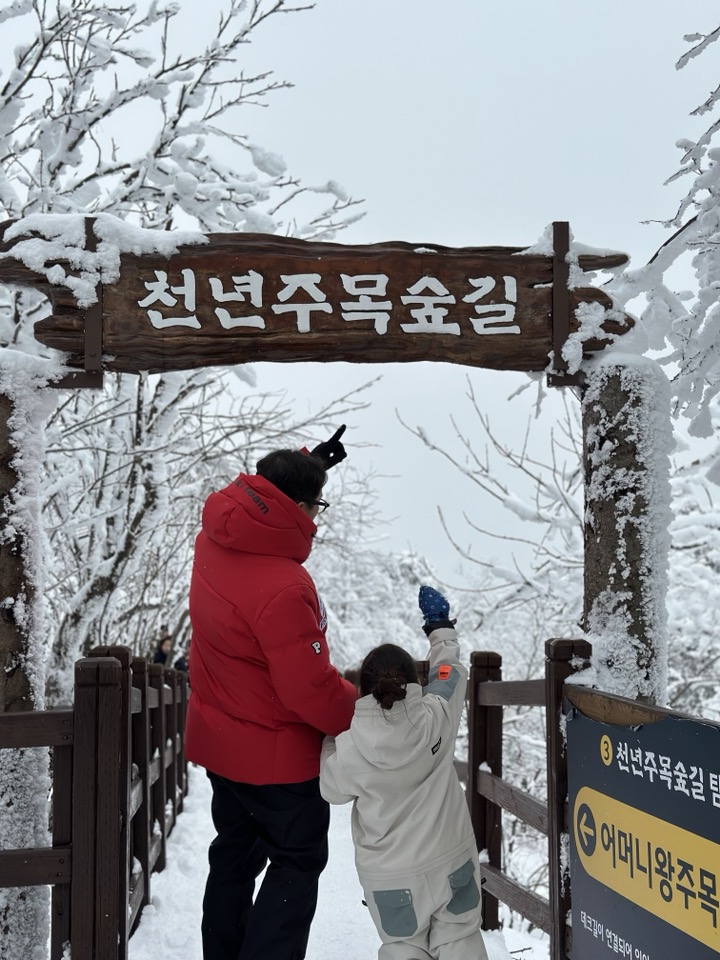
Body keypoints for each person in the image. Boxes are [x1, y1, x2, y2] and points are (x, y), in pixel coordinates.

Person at [185, 426, 357, 960]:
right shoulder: (283, 586)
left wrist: (310, 464)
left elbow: (269, 492)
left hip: (221, 741)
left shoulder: (214, 538)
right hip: (277, 761)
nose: (315, 519)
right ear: (300, 507)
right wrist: (365, 710)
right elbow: (309, 691)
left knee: (234, 855)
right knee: (297, 860)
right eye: (316, 507)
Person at [320, 586, 489, 960]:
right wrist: (439, 628)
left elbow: (331, 790)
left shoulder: (350, 749)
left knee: (402, 949)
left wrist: (331, 739)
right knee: (462, 941)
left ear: (364, 689)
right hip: (451, 862)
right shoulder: (436, 715)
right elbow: (449, 671)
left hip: (391, 880)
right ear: (414, 681)